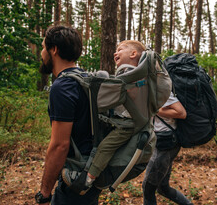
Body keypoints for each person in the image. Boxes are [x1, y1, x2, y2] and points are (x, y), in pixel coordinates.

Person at [61, 40, 146, 194]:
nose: (115, 53)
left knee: (105, 147)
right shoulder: (137, 73)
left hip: (126, 125)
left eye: (120, 49)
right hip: (125, 121)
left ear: (133, 54)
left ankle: (88, 179)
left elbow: (119, 96)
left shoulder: (130, 73)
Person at [35, 25, 101, 205]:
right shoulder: (86, 79)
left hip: (75, 176)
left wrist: (45, 193)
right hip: (92, 170)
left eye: (43, 47)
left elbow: (59, 145)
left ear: (54, 49)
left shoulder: (62, 87)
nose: (41, 53)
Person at [142, 92, 194, 205]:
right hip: (162, 142)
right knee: (163, 188)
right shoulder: (152, 91)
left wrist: (156, 110)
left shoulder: (163, 92)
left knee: (147, 188)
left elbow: (181, 113)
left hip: (166, 144)